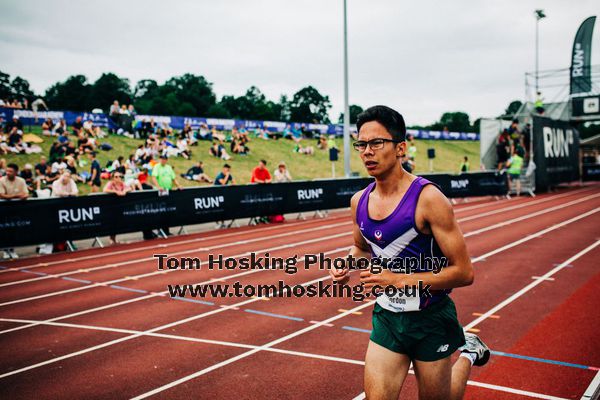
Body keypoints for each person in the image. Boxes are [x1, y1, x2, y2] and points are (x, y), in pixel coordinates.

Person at [329, 105, 490, 400]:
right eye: (361, 144)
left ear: (400, 147)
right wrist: (345, 264)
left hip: (431, 318)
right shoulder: (358, 202)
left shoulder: (429, 199)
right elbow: (361, 247)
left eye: (376, 143)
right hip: (388, 316)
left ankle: (467, 353)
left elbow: (464, 272)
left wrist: (398, 280)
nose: (367, 151)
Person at [103, 171, 131, 244]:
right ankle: (111, 239)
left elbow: (129, 188)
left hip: (120, 207)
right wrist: (115, 191)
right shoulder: (110, 183)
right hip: (111, 207)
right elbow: (105, 190)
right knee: (112, 222)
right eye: (116, 177)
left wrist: (125, 190)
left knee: (118, 222)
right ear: (113, 178)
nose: (118, 178)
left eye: (120, 176)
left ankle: (114, 239)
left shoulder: (122, 184)